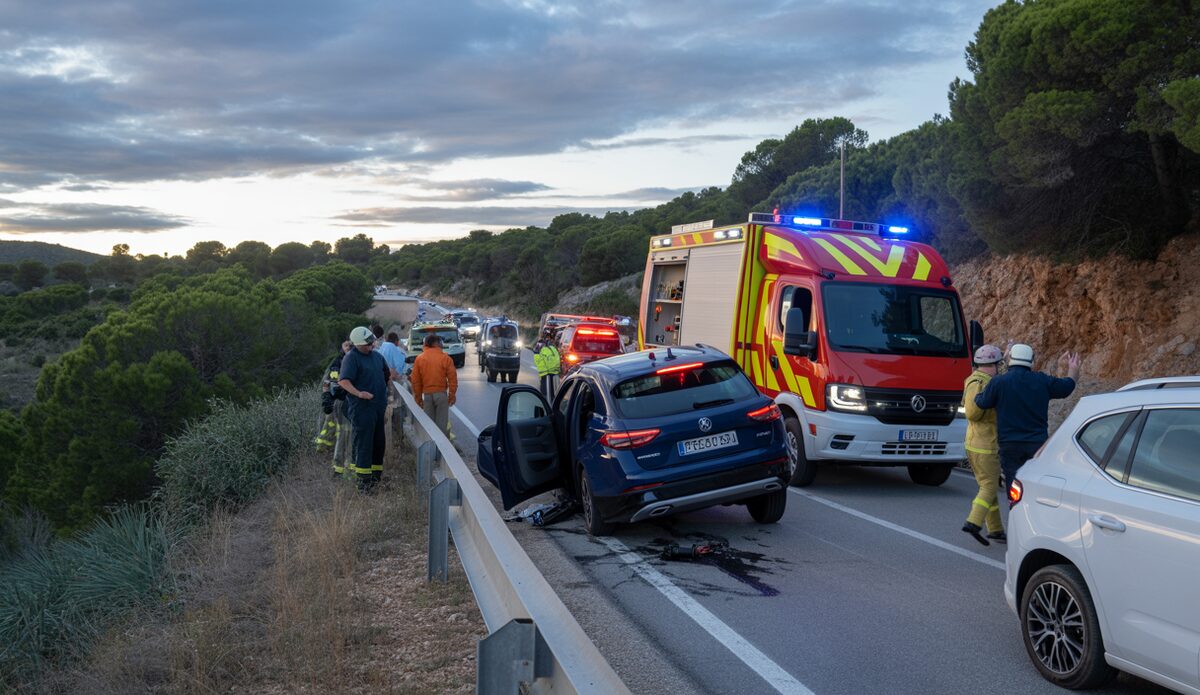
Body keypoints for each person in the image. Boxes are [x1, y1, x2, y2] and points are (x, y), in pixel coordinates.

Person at [975, 343, 1080, 487]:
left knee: (1013, 485)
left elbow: (981, 402)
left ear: (1011, 359)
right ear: (1031, 360)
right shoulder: (1042, 381)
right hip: (1036, 444)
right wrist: (1073, 370)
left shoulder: (999, 382)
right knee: (1031, 486)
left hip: (1009, 444)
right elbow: (1068, 386)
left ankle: (1014, 507)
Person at [960, 345, 1005, 546]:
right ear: (992, 364)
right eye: (998, 364)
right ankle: (973, 522)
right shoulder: (982, 383)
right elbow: (972, 412)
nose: (999, 368)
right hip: (985, 444)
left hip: (974, 443)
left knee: (988, 485)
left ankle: (995, 530)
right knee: (989, 486)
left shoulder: (974, 380)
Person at [337, 326, 391, 491]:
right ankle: (363, 483)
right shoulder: (351, 358)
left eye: (371, 342)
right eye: (367, 344)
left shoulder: (377, 357)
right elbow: (344, 381)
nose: (371, 346)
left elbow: (386, 375)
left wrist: (385, 395)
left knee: (378, 443)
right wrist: (359, 394)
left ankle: (376, 479)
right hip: (362, 408)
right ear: (358, 344)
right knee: (364, 444)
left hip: (378, 408)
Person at [411, 333, 458, 439]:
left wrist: (418, 398)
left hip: (426, 396)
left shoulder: (419, 358)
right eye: (440, 342)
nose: (441, 344)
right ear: (436, 343)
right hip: (441, 395)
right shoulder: (445, 358)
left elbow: (416, 381)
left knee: (429, 427)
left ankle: (430, 451)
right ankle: (441, 452)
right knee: (441, 426)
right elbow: (452, 379)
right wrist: (452, 395)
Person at [534, 330, 561, 400]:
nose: (547, 338)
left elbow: (556, 357)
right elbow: (537, 357)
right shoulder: (541, 345)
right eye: (547, 336)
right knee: (546, 393)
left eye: (548, 336)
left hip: (550, 372)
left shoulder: (552, 345)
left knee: (551, 393)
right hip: (547, 372)